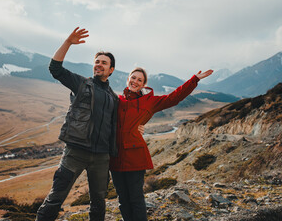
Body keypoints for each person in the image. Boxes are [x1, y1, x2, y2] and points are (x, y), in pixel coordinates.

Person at [35, 27, 119, 221]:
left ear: (111, 69)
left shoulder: (113, 98)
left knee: (99, 202)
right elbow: (55, 69)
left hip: (101, 157)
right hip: (76, 153)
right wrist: (68, 43)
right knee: (57, 197)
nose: (99, 65)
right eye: (96, 62)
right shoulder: (81, 84)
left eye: (104, 63)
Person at [109, 67, 213, 221]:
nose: (135, 81)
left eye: (140, 80)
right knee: (123, 200)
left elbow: (174, 97)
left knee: (136, 198)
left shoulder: (149, 101)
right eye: (133, 78)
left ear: (144, 85)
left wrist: (194, 80)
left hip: (135, 157)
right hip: (116, 156)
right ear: (127, 79)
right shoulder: (117, 100)